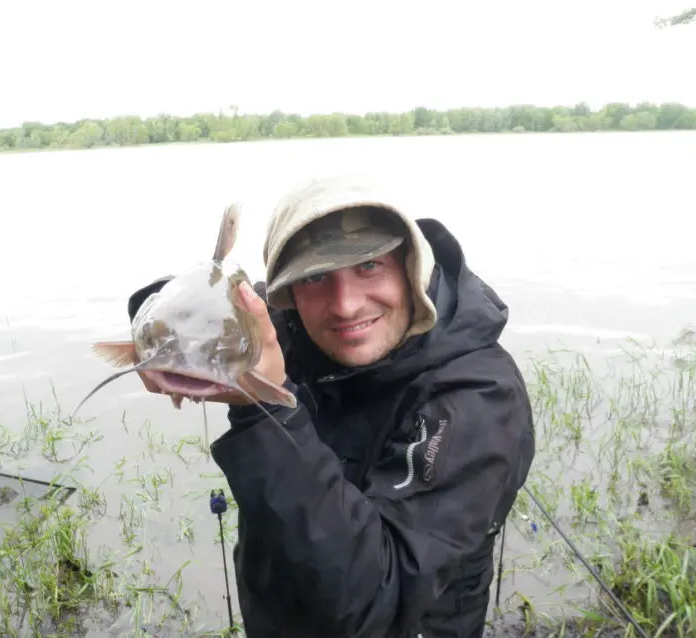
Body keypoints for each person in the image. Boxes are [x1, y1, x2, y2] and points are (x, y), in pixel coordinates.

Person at [126, 174, 536, 637]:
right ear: (290, 294)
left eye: (369, 266)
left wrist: (266, 407)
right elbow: (209, 302)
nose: (344, 306)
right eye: (316, 276)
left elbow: (374, 603)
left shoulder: (478, 399)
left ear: (410, 265)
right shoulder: (296, 327)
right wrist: (160, 331)